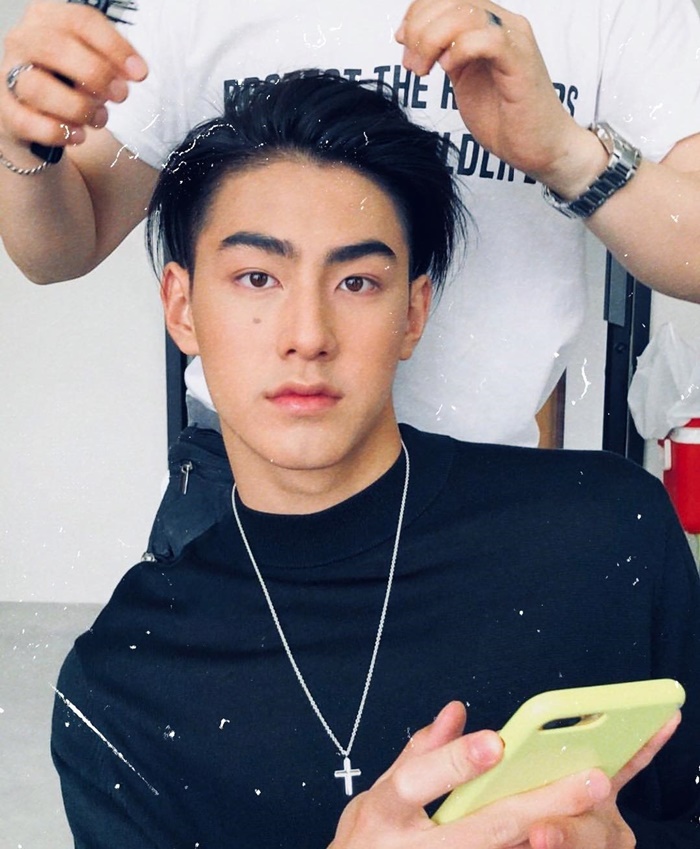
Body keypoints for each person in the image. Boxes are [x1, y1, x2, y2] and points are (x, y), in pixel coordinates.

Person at [51, 72, 700, 849]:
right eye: (257, 277)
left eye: (357, 281)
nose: (307, 335)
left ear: (412, 313)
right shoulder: (126, 680)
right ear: (182, 307)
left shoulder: (606, 531)